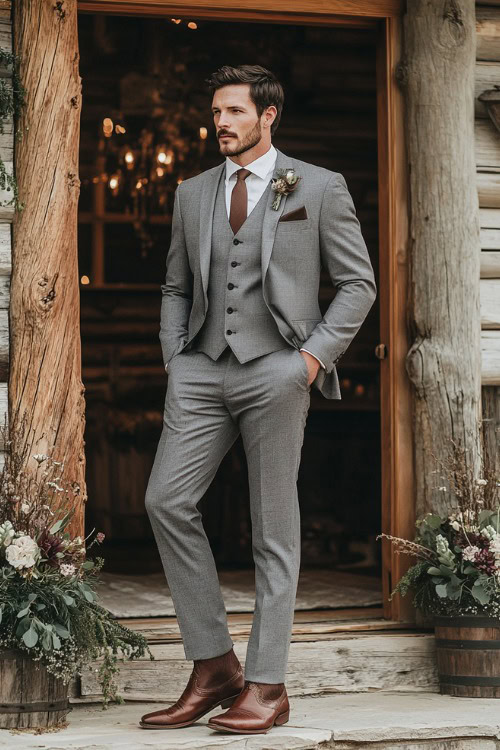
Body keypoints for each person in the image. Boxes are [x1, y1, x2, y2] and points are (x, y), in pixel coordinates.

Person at [140, 64, 377, 735]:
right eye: (217, 112)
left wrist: (307, 361)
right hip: (201, 371)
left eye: (235, 112)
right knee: (165, 500)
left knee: (274, 528)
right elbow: (176, 289)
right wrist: (175, 361)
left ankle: (267, 684)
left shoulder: (319, 187)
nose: (222, 123)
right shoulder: (191, 194)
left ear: (268, 116)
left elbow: (358, 286)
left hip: (277, 371)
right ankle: (215, 665)